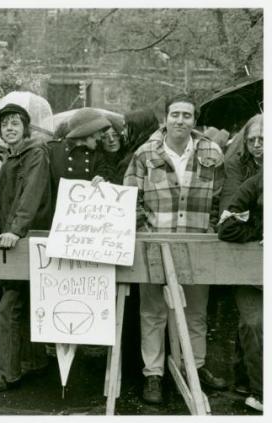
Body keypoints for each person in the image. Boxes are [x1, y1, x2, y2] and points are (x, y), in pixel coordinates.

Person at [123, 93, 228, 404]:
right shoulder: (144, 154)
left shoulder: (212, 151)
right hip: (156, 244)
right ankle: (153, 373)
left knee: (196, 311)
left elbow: (221, 197)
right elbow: (131, 199)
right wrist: (145, 231)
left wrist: (211, 229)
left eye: (187, 115)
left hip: (197, 244)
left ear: (194, 120)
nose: (181, 120)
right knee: (153, 312)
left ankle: (195, 366)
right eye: (175, 115)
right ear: (164, 119)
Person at [0, 103, 53, 393]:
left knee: (9, 306)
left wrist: (14, 230)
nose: (9, 128)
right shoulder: (12, 158)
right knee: (23, 302)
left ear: (26, 127)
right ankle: (34, 360)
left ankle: (8, 374)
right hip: (19, 239)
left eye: (15, 123)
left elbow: (31, 196)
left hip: (27, 239)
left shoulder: (34, 154)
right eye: (4, 124)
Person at [217, 171, 263, 413]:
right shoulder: (255, 183)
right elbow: (226, 229)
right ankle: (261, 391)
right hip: (253, 276)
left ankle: (247, 378)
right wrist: (261, 230)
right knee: (254, 323)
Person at [47, 107, 112, 208]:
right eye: (99, 130)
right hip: (55, 216)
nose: (101, 135)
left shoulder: (97, 156)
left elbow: (104, 188)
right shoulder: (52, 150)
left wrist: (102, 183)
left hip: (84, 216)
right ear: (88, 131)